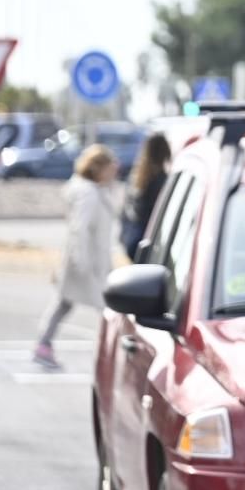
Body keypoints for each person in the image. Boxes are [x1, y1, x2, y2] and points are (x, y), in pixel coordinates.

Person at [33, 144, 120, 371]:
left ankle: (44, 344)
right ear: (97, 168)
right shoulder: (88, 194)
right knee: (106, 308)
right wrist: (83, 263)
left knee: (65, 303)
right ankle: (111, 354)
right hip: (86, 263)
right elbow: (79, 229)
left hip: (90, 261)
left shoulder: (95, 190)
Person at [120, 131, 172, 259]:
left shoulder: (135, 177)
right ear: (166, 152)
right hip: (151, 244)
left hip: (134, 241)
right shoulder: (161, 181)